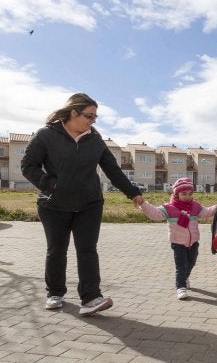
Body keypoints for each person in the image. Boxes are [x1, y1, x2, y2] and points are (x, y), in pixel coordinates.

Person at [21, 92, 144, 315]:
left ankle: (91, 298)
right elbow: (28, 166)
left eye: (95, 117)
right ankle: (55, 293)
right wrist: (50, 184)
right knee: (56, 251)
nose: (93, 121)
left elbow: (112, 169)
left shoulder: (95, 140)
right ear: (73, 113)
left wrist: (132, 192)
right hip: (54, 204)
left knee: (87, 250)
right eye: (89, 116)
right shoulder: (46, 136)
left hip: (90, 203)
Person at [138, 177, 217, 300]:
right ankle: (180, 287)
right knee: (181, 266)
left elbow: (205, 212)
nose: (187, 196)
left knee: (191, 262)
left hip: (193, 241)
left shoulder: (195, 206)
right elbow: (155, 214)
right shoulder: (169, 208)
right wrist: (143, 204)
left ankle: (185, 277)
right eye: (183, 194)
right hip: (178, 242)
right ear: (176, 194)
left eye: (190, 194)